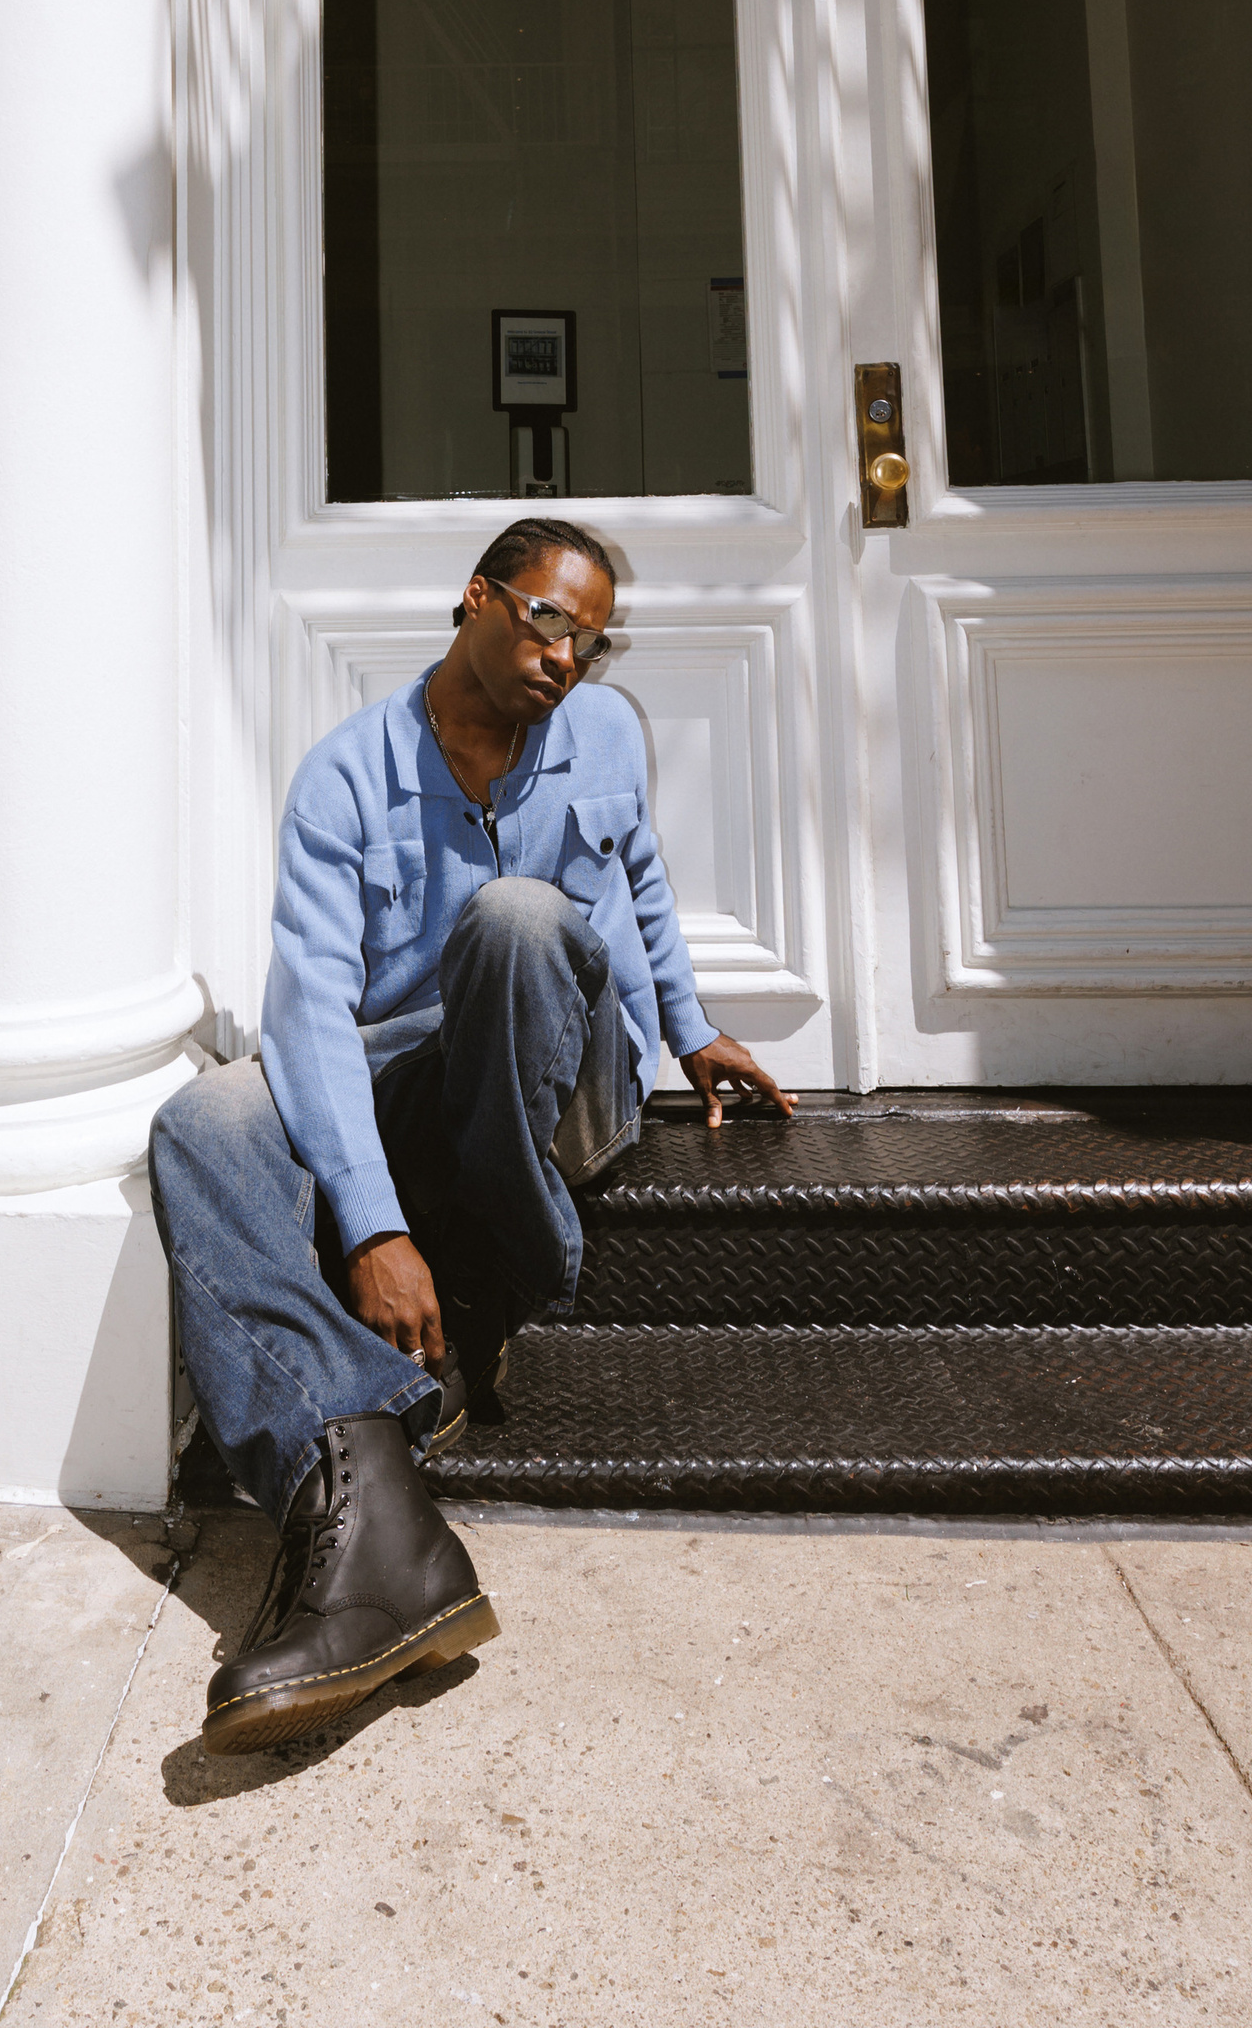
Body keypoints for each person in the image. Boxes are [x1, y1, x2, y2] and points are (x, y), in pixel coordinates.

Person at [148, 515, 794, 1755]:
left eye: (591, 642)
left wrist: (694, 1024)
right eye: (549, 620)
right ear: (478, 599)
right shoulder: (346, 774)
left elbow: (643, 883)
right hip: (417, 1081)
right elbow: (310, 1008)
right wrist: (374, 1223)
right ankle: (359, 1486)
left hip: (568, 1076)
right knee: (203, 1116)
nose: (567, 659)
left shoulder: (604, 733)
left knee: (514, 917)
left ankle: (494, 1279)